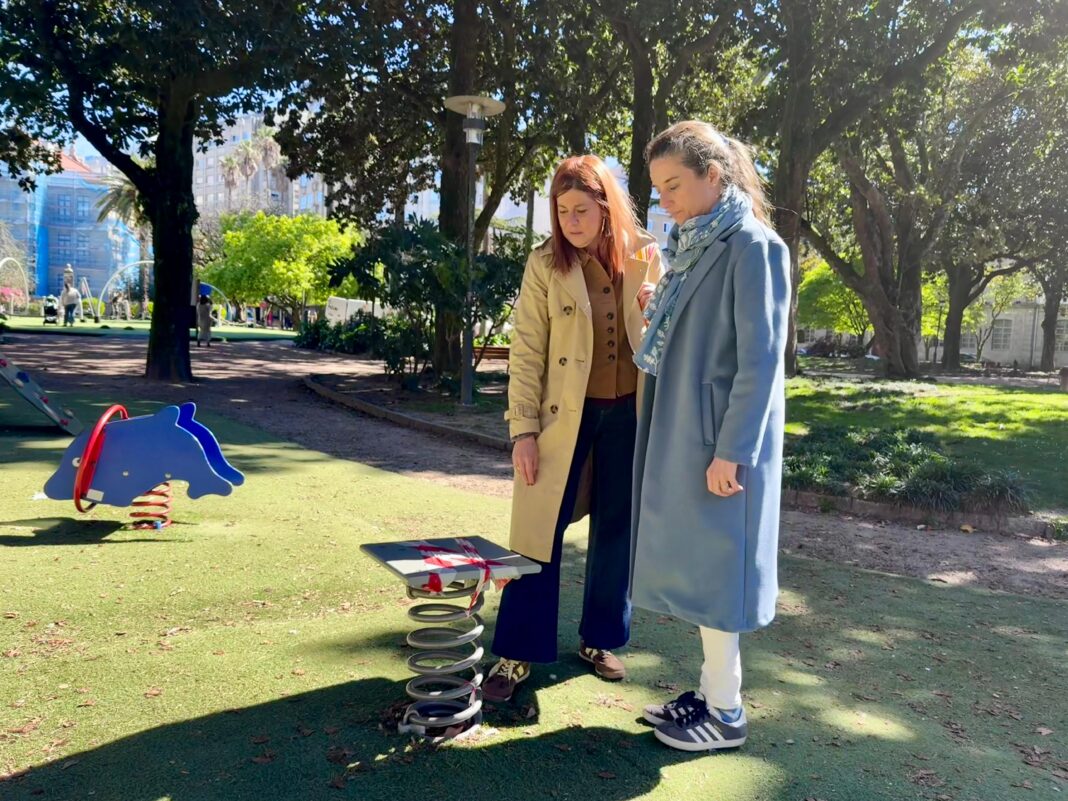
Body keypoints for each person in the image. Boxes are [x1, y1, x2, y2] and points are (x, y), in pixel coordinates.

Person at [631, 121, 790, 752]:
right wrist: (659, 307)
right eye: (658, 189)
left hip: (720, 442)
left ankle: (726, 713)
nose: (664, 200)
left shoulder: (753, 246)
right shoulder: (696, 244)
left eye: (674, 185)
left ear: (713, 175)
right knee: (701, 568)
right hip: (690, 430)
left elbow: (761, 361)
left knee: (721, 573)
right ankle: (710, 692)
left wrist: (733, 452)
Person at [484, 155, 663, 702]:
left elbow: (667, 336)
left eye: (581, 209)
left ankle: (600, 639)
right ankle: (516, 651)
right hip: (561, 417)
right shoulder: (545, 263)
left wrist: (657, 310)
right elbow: (526, 350)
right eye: (562, 211)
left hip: (629, 414)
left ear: (606, 207)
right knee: (537, 533)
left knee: (616, 532)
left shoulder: (645, 254)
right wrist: (523, 432)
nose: (571, 221)